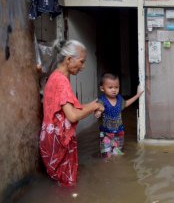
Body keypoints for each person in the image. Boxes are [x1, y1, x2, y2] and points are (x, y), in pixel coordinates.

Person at [39, 39, 104, 187]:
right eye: (81, 62)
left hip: (51, 138)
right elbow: (73, 115)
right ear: (68, 60)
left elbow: (69, 110)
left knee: (61, 183)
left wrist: (93, 105)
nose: (83, 66)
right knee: (66, 186)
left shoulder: (55, 76)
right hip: (58, 140)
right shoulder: (61, 81)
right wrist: (93, 107)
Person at [95, 73, 143, 158]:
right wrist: (97, 113)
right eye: (110, 87)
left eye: (116, 87)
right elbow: (98, 108)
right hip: (106, 133)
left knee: (117, 153)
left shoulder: (119, 99)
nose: (114, 90)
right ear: (102, 88)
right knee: (106, 155)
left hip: (119, 132)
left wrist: (137, 95)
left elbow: (126, 103)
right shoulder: (102, 101)